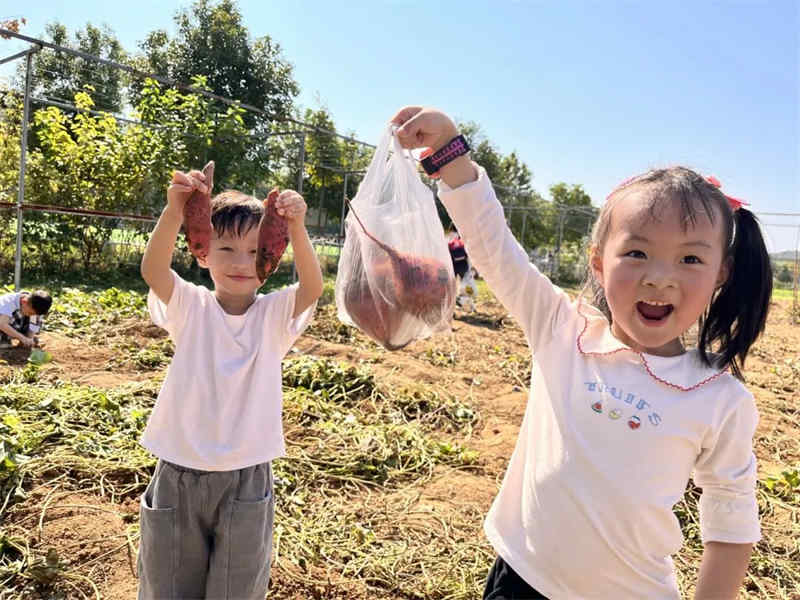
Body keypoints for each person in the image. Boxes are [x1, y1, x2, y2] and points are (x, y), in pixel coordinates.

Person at [392, 106, 772, 600]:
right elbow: (493, 248)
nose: (660, 276)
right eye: (636, 252)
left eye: (691, 259)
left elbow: (731, 518)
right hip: (521, 580)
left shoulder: (718, 398)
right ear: (598, 259)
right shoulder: (562, 330)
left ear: (721, 273)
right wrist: (450, 153)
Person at [138, 166, 323, 599]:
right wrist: (174, 209)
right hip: (179, 471)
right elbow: (153, 270)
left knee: (235, 588)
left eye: (255, 251)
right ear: (202, 252)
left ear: (272, 259)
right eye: (226, 248)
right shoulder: (191, 305)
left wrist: (297, 227)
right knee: (168, 585)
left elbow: (312, 288)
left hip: (246, 476)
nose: (241, 263)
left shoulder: (274, 316)